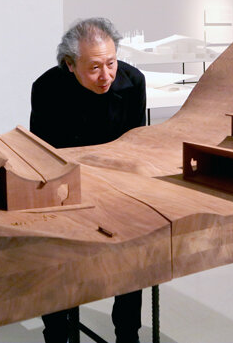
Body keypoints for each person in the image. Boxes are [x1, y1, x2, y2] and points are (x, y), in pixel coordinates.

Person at [30, 17, 147, 343]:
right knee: (58, 261)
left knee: (132, 256)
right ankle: (57, 333)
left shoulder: (132, 82)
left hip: (116, 183)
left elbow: (134, 145)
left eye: (111, 63)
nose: (106, 75)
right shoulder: (47, 88)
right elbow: (45, 157)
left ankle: (128, 334)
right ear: (70, 64)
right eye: (94, 67)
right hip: (66, 188)